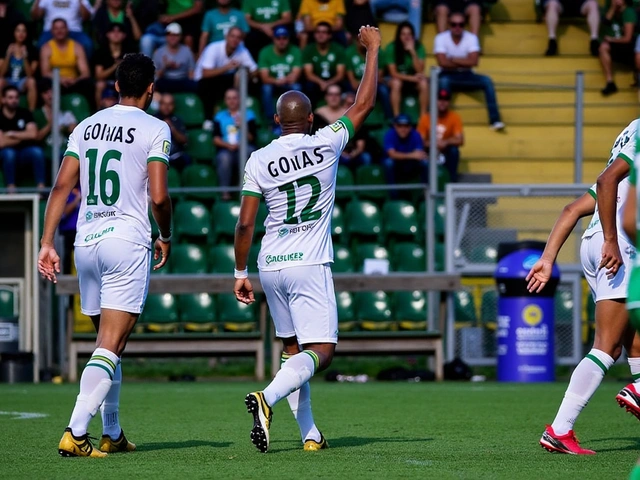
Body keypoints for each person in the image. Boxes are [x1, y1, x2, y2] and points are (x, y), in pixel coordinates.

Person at [234, 25, 380, 453]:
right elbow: (364, 102)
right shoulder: (328, 143)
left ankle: (309, 434)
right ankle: (268, 398)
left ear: (277, 121)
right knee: (324, 350)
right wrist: (372, 51)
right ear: (312, 119)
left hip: (270, 264)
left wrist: (240, 271)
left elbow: (245, 224)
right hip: (309, 263)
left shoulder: (259, 159)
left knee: (292, 348)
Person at [37, 53, 173, 457]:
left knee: (106, 343)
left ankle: (112, 431)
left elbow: (61, 187)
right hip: (126, 241)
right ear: (151, 87)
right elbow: (160, 195)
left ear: (116, 85)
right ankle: (76, 432)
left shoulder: (86, 125)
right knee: (111, 344)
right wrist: (165, 232)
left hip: (87, 242)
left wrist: (46, 243)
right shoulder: (156, 127)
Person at [528, 119, 640, 454]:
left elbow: (572, 209)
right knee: (606, 345)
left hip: (597, 242)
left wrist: (548, 259)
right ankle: (560, 429)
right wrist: (611, 240)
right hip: (619, 244)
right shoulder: (621, 176)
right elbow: (607, 181)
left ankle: (563, 429)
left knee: (631, 344)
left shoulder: (627, 154)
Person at [434, 12, 504, 131]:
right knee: (444, 81)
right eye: (454, 24)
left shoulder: (471, 38)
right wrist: (463, 61)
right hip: (448, 74)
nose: (457, 27)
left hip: (466, 75)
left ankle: (495, 119)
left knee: (487, 81)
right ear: (449, 25)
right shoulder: (441, 38)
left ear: (465, 25)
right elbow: (442, 63)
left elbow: (474, 61)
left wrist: (453, 59)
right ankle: (441, 119)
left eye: (461, 24)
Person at [194, 26, 258, 121]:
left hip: (226, 80)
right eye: (232, 36)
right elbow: (205, 73)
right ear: (226, 37)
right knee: (207, 85)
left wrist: (246, 71)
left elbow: (255, 70)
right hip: (204, 81)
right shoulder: (213, 48)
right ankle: (208, 120)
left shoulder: (242, 50)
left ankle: (240, 115)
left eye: (238, 37)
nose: (235, 40)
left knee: (243, 77)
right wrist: (227, 67)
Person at [39, 18, 95, 109]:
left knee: (88, 83)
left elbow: (85, 72)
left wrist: (75, 80)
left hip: (73, 82)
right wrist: (60, 79)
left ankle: (91, 113)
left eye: (62, 28)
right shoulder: (46, 48)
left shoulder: (77, 46)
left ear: (67, 29)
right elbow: (45, 72)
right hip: (56, 81)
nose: (59, 31)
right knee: (43, 83)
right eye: (56, 28)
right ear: (52, 31)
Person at [213, 87, 256, 200]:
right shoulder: (219, 116)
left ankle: (249, 191)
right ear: (225, 100)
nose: (232, 101)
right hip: (227, 148)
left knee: (250, 152)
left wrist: (242, 125)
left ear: (239, 99)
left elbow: (252, 137)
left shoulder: (249, 114)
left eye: (234, 98)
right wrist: (228, 145)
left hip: (243, 147)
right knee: (224, 157)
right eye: (229, 98)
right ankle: (225, 192)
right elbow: (216, 139)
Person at [0, 85, 45, 192]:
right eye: (10, 98)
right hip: (5, 153)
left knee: (37, 152)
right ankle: (11, 187)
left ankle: (41, 187)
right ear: (3, 99)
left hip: (24, 152)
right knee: (9, 153)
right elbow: (1, 143)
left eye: (16, 97)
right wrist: (24, 136)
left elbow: (33, 134)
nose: (14, 100)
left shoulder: (25, 113)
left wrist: (11, 134)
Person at [258, 25, 302, 133]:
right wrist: (276, 81)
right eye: (278, 38)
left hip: (288, 83)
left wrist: (284, 79)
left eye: (284, 38)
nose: (281, 41)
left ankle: (297, 118)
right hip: (273, 84)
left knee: (297, 86)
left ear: (288, 39)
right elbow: (264, 78)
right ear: (274, 39)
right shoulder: (265, 52)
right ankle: (271, 121)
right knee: (266, 88)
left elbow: (295, 76)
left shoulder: (295, 50)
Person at [416, 88, 463, 182]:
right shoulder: (426, 118)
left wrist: (446, 142)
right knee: (420, 153)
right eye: (440, 99)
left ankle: (452, 182)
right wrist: (433, 143)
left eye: (445, 99)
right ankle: (424, 189)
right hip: (429, 150)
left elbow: (460, 140)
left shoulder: (454, 117)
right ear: (435, 101)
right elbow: (419, 141)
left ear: (449, 102)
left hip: (445, 150)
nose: (442, 102)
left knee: (454, 151)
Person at [384, 20, 428, 118]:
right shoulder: (392, 48)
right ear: (399, 36)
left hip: (413, 79)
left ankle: (423, 117)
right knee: (396, 83)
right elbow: (393, 73)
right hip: (395, 79)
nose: (406, 37)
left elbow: (420, 71)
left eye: (409, 34)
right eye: (403, 34)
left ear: (413, 36)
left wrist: (413, 52)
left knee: (424, 83)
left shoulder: (419, 47)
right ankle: (397, 117)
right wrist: (412, 78)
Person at [302, 22, 346, 106]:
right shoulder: (309, 49)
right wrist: (321, 82)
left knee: (344, 85)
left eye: (324, 32)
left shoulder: (338, 49)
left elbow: (340, 75)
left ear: (330, 35)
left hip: (333, 80)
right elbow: (309, 74)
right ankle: (311, 113)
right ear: (314, 35)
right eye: (318, 32)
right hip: (316, 81)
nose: (320, 35)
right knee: (308, 86)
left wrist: (328, 83)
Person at [598, 0, 637, 96]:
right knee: (603, 47)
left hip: (631, 47)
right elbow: (604, 23)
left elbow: (627, 38)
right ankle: (610, 82)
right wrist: (612, 8)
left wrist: (611, 39)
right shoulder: (609, 9)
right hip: (620, 46)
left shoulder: (629, 12)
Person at [382, 113, 428, 189]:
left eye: (406, 126)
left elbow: (419, 154)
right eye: (400, 126)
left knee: (424, 162)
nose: (403, 129)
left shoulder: (415, 134)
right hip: (396, 165)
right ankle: (393, 194)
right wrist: (411, 155)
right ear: (395, 126)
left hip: (410, 164)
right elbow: (392, 154)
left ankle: (425, 192)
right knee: (388, 163)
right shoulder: (390, 134)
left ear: (410, 127)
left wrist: (411, 156)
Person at [0, 22, 38, 111]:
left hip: (22, 82)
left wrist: (25, 57)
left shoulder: (32, 50)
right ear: (14, 32)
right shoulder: (5, 47)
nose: (21, 34)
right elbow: (1, 73)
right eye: (18, 31)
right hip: (8, 80)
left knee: (31, 82)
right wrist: (8, 56)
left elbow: (30, 75)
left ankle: (31, 113)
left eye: (23, 31)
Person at [94, 22, 133, 108]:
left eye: (119, 31)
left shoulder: (129, 53)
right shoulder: (101, 52)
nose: (116, 34)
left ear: (124, 35)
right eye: (113, 31)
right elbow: (99, 76)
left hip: (123, 83)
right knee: (99, 84)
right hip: (106, 83)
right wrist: (115, 66)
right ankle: (97, 111)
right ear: (107, 34)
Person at [153, 23, 197, 93]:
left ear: (180, 36)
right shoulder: (159, 52)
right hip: (166, 80)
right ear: (166, 36)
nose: (172, 37)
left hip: (182, 80)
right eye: (169, 34)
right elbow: (155, 76)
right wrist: (165, 67)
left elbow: (191, 72)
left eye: (175, 35)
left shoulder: (187, 51)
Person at [155, 92, 190, 171]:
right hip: (157, 155)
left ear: (174, 106)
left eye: (170, 104)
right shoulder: (153, 119)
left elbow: (184, 140)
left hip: (175, 156)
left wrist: (172, 128)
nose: (166, 107)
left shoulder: (177, 120)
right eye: (164, 104)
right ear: (159, 105)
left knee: (186, 160)